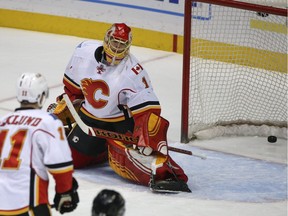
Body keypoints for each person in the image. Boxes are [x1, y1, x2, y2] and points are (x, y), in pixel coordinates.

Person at [48, 23, 191, 193]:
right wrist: (70, 104)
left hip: (119, 124)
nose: (117, 48)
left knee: (132, 159)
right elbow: (73, 90)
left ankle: (168, 175)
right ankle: (102, 151)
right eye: (114, 42)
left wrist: (144, 136)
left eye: (122, 45)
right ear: (106, 40)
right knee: (71, 160)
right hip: (89, 121)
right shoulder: (83, 53)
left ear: (128, 46)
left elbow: (148, 112)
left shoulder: (134, 72)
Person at [0, 73, 79, 215]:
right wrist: (65, 192)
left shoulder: (2, 122)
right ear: (42, 95)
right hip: (27, 205)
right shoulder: (48, 121)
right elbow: (61, 165)